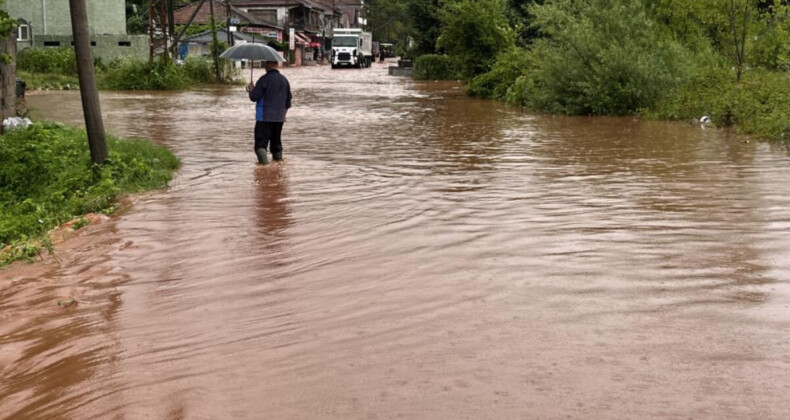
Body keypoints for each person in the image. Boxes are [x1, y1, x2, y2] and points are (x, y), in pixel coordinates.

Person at [246, 61, 292, 164]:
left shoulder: (264, 79)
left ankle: (264, 168)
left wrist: (251, 89)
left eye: (266, 64)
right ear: (276, 65)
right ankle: (278, 165)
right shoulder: (284, 80)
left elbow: (254, 97)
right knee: (276, 144)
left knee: (260, 144)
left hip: (264, 117)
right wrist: (283, 116)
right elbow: (288, 102)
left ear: (268, 65)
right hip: (279, 119)